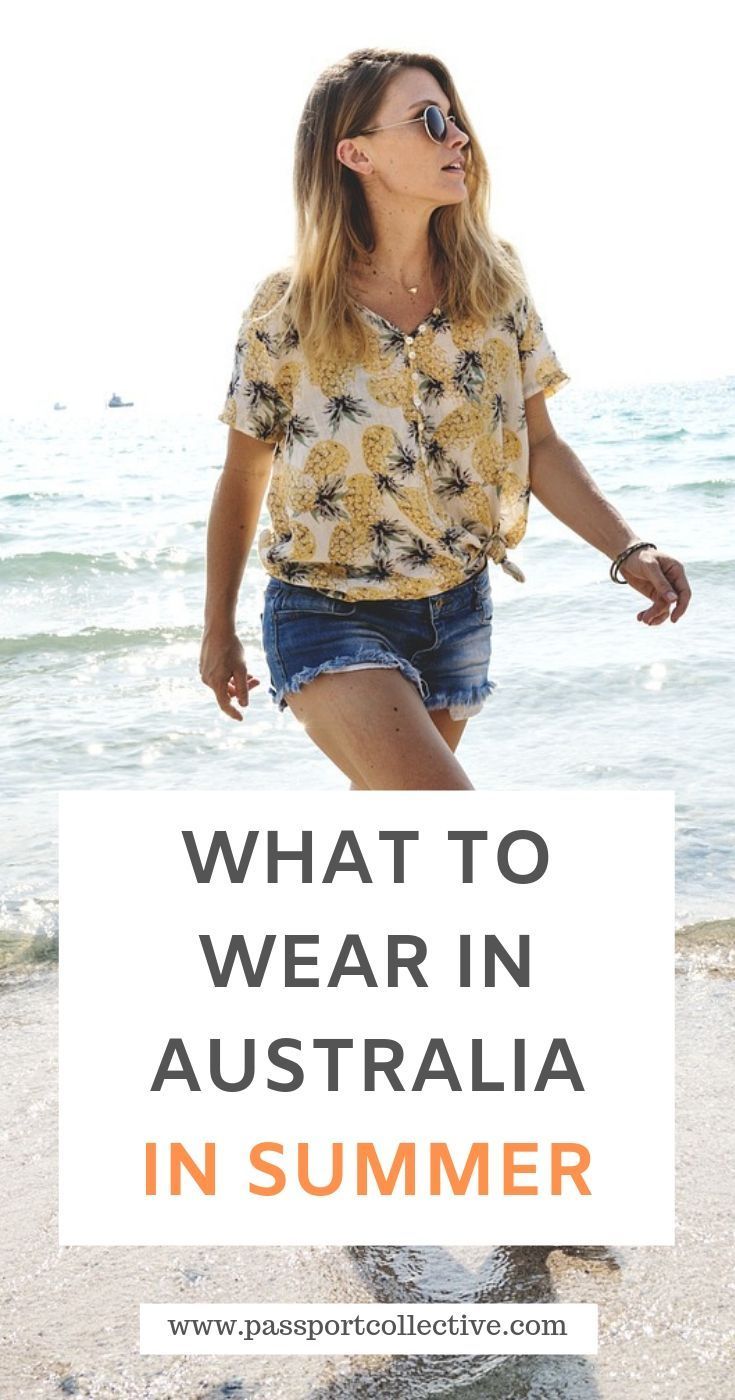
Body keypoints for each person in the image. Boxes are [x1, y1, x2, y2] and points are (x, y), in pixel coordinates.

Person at [200, 47, 691, 791]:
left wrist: (626, 549)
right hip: (327, 610)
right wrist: (217, 632)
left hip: (456, 611)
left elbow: (542, 449)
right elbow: (243, 475)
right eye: (429, 120)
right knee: (448, 821)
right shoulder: (287, 306)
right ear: (354, 152)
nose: (457, 136)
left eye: (454, 118)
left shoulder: (496, 283)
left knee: (401, 843)